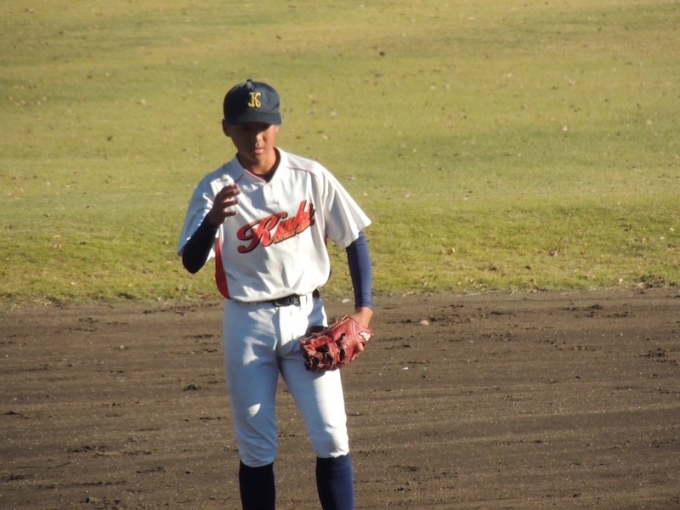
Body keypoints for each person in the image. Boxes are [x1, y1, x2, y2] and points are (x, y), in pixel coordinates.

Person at [177, 79, 373, 510]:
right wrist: (212, 221)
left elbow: (354, 238)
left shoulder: (310, 176)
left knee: (332, 436)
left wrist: (364, 310)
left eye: (263, 126)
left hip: (308, 319)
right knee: (257, 448)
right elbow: (191, 261)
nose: (256, 137)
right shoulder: (215, 187)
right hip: (247, 325)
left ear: (278, 125)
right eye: (245, 127)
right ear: (226, 129)